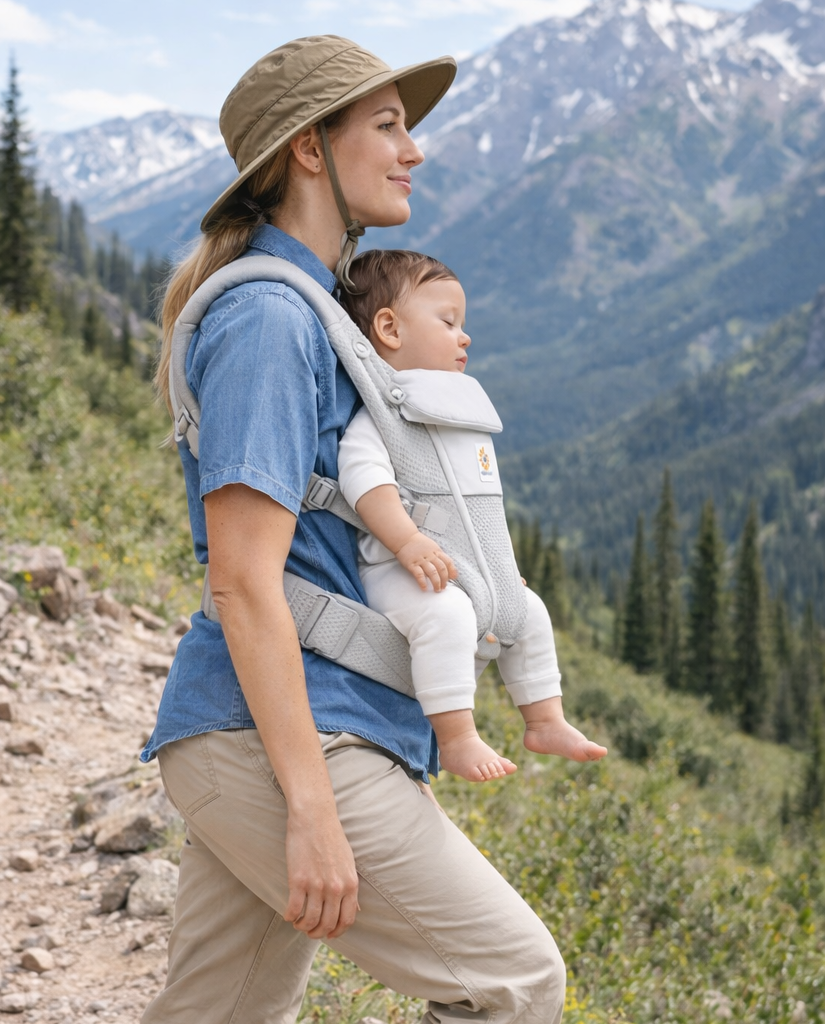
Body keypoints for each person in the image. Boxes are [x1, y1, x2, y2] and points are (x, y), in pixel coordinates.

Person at [142, 35, 567, 1024]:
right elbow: (244, 581)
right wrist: (312, 807)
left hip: (270, 727)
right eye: (386, 125)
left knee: (222, 1010)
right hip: (282, 737)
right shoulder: (270, 322)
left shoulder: (312, 311)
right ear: (308, 149)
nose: (413, 150)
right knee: (514, 981)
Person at [335, 249, 607, 783]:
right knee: (449, 618)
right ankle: (456, 737)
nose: (465, 337)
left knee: (529, 612)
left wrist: (499, 569)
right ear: (389, 329)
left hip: (464, 568)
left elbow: (478, 512)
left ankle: (545, 720)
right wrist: (407, 542)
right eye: (448, 322)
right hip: (398, 569)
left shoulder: (458, 415)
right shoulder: (384, 419)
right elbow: (366, 483)